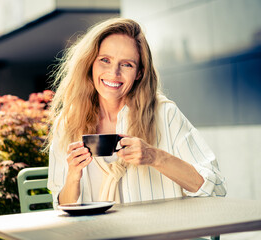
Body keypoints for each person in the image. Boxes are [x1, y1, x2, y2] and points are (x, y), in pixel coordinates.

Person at [46, 18, 226, 208]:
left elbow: (216, 188)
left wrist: (155, 157)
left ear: (139, 73)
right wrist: (73, 176)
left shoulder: (165, 114)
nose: (114, 73)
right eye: (105, 60)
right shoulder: (67, 124)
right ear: (91, 63)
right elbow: (61, 206)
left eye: (127, 65)